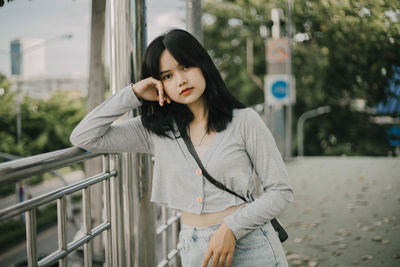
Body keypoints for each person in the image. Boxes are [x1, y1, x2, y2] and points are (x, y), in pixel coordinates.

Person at [70, 28, 293, 267]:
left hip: (251, 244)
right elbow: (84, 136)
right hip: (196, 248)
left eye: (185, 67)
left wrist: (232, 228)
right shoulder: (154, 130)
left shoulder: (244, 121)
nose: (181, 80)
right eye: (167, 76)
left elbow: (281, 191)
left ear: (203, 65)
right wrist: (134, 93)